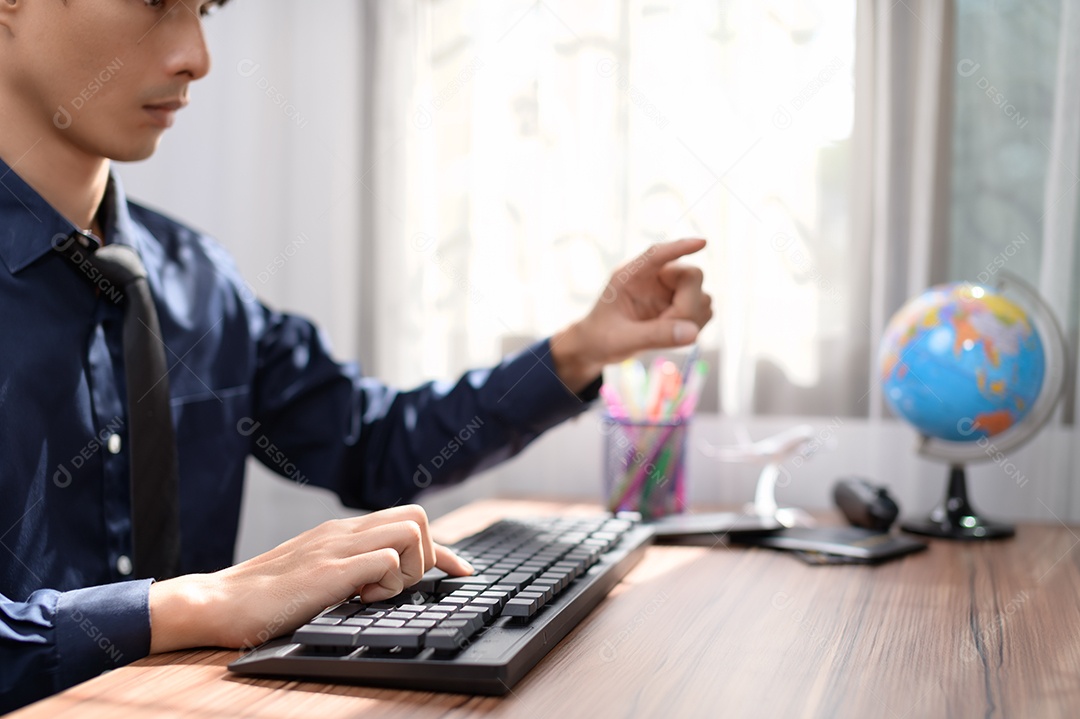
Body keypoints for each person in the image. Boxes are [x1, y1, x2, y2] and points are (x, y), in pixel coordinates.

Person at [0, 0, 712, 712]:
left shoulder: (196, 278)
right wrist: (193, 604)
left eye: (204, 10)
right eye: (155, 3)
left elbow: (374, 443)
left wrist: (579, 350)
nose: (196, 56)